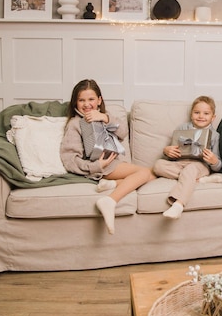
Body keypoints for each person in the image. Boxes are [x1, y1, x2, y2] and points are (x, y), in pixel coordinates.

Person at [60, 79, 155, 234]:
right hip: (101, 167)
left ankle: (113, 184)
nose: (86, 104)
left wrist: (105, 118)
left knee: (155, 172)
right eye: (81, 100)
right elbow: (69, 159)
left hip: (113, 163)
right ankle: (110, 200)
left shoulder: (105, 117)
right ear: (75, 103)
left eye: (91, 99)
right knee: (145, 173)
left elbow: (123, 133)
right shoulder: (75, 124)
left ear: (99, 100)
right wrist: (97, 166)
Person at [153, 96, 222, 219]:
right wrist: (167, 151)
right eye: (197, 112)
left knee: (191, 169)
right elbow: (172, 153)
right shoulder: (182, 128)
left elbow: (218, 165)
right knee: (158, 165)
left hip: (199, 166)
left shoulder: (215, 135)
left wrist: (214, 161)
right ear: (191, 114)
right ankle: (198, 180)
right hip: (180, 163)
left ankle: (178, 205)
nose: (201, 116)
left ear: (213, 117)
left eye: (206, 113)